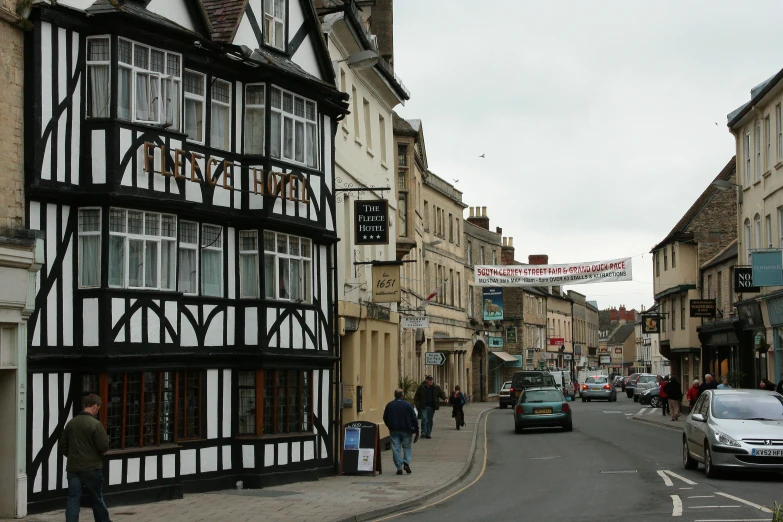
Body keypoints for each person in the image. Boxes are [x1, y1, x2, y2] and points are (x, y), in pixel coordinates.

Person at [58, 394, 110, 522]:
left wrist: (72, 456)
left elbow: (63, 445)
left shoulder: (71, 423)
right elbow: (103, 446)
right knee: (96, 498)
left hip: (73, 468)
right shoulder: (96, 425)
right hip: (92, 468)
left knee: (73, 498)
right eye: (98, 408)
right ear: (95, 406)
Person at [383, 389, 419, 476]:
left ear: (395, 395)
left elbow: (385, 418)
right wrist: (416, 429)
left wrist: (389, 426)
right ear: (402, 395)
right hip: (406, 430)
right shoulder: (407, 405)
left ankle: (399, 467)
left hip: (394, 430)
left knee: (396, 449)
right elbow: (414, 417)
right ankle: (406, 463)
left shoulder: (390, 405)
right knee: (407, 447)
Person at [413, 375, 447, 439]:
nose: (430, 381)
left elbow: (441, 393)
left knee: (429, 420)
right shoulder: (422, 387)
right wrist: (415, 403)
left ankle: (428, 433)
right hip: (424, 406)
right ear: (426, 380)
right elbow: (417, 395)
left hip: (432, 406)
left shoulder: (436, 387)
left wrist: (445, 398)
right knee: (424, 419)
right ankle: (423, 432)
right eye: (429, 380)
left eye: (431, 380)